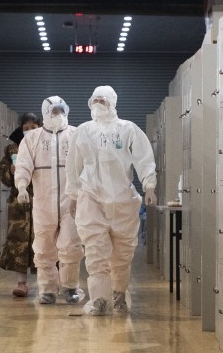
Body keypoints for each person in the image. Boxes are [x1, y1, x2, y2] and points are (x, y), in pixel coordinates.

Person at [65, 85, 157, 316]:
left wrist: (149, 186)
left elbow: (144, 158)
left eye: (102, 100)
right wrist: (73, 196)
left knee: (122, 253)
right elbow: (73, 166)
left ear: (112, 102)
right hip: (91, 198)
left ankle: (118, 295)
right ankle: (99, 299)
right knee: (95, 251)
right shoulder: (83, 131)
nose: (98, 104)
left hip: (122, 200)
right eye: (95, 100)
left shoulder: (128, 129)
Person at [14, 96, 86, 305]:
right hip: (43, 201)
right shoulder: (32, 138)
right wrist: (21, 186)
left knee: (71, 245)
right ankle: (47, 289)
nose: (58, 115)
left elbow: (87, 165)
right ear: (45, 113)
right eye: (54, 111)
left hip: (71, 201)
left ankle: (71, 287)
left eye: (61, 111)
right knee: (44, 246)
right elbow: (24, 165)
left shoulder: (76, 135)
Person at [0, 112, 39, 297]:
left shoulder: (47, 146)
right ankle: (21, 283)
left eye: (33, 127)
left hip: (42, 201)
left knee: (45, 242)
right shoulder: (13, 148)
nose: (30, 131)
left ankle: (50, 283)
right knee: (19, 242)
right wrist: (11, 171)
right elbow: (1, 171)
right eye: (26, 128)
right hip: (19, 205)